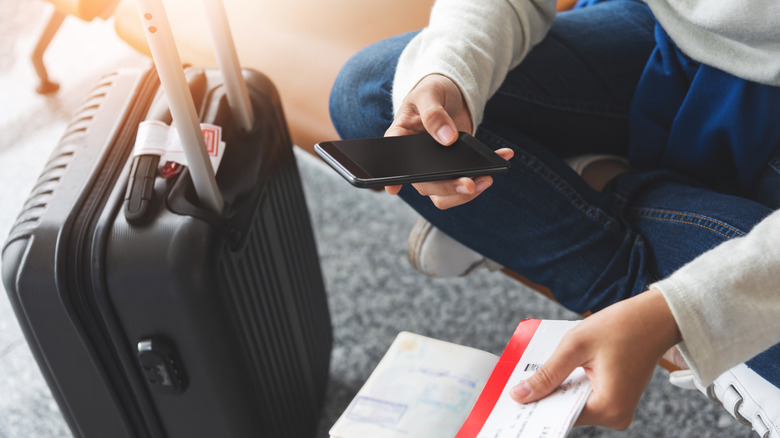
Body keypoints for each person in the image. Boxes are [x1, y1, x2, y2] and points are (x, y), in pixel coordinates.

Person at [328, 0, 780, 434]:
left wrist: (683, 312)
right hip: (671, 36)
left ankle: (570, 191)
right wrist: (450, 71)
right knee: (375, 92)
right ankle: (630, 272)